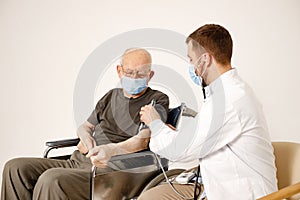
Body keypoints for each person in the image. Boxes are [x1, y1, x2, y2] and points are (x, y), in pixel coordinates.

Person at [1, 48, 169, 200]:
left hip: (111, 171)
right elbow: (85, 126)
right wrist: (85, 137)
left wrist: (110, 150)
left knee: (51, 179)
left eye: (140, 74)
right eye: (129, 72)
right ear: (119, 71)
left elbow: (142, 140)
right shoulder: (111, 96)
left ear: (150, 75)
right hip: (78, 161)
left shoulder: (158, 100)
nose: (134, 78)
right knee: (15, 168)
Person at [139, 24, 278, 199]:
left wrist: (155, 123)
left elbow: (177, 150)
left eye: (191, 59)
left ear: (205, 59)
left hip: (244, 193)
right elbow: (205, 136)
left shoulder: (229, 99)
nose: (192, 66)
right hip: (221, 183)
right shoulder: (226, 93)